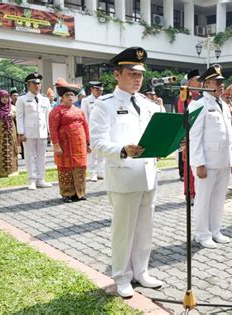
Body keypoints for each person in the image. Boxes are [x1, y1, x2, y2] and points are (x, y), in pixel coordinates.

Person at [90, 47, 163, 298]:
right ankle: (122, 276)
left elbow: (155, 134)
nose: (137, 78)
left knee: (145, 228)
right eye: (131, 73)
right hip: (123, 175)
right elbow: (97, 142)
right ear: (116, 74)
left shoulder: (146, 103)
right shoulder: (105, 105)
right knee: (124, 230)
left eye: (140, 74)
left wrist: (166, 145)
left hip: (147, 175)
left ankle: (141, 271)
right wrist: (123, 149)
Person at [189, 64, 232, 248]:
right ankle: (202, 234)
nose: (221, 85)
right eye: (217, 81)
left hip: (223, 161)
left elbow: (229, 135)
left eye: (222, 81)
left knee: (218, 198)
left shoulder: (224, 105)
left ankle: (215, 230)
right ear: (206, 83)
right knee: (203, 199)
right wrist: (199, 163)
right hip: (207, 162)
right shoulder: (198, 105)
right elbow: (194, 136)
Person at [49, 79, 90, 203]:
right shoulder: (56, 111)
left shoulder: (79, 111)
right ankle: (67, 193)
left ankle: (79, 193)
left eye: (72, 95)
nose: (70, 97)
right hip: (65, 144)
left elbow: (85, 127)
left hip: (79, 144)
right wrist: (56, 145)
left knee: (80, 167)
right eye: (67, 95)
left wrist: (88, 143)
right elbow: (53, 129)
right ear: (62, 97)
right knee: (65, 168)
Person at [16, 72, 52, 190]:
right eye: (34, 83)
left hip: (42, 131)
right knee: (30, 156)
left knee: (42, 157)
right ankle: (31, 180)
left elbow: (48, 116)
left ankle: (41, 179)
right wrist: (21, 132)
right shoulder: (22, 99)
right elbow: (19, 116)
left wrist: (50, 131)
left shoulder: (45, 100)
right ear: (28, 85)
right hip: (29, 132)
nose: (37, 86)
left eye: (39, 84)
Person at [178, 69, 201, 202]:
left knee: (198, 164)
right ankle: (189, 193)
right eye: (197, 80)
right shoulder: (184, 96)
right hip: (189, 135)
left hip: (200, 135)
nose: (200, 82)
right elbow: (183, 117)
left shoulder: (201, 96)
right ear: (190, 81)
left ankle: (197, 191)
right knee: (188, 167)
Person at [0, 90, 19, 177]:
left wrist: (19, 133)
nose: (5, 99)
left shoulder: (13, 108)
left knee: (12, 151)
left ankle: (13, 171)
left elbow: (17, 121)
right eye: (2, 97)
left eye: (6, 97)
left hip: (12, 134)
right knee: (1, 151)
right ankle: (3, 172)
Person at [81, 81, 105, 182]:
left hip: (102, 129)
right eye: (97, 89)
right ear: (91, 89)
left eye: (101, 90)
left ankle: (100, 172)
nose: (99, 92)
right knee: (91, 153)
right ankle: (92, 173)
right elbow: (84, 116)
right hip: (91, 130)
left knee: (101, 152)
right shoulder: (86, 101)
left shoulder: (104, 100)